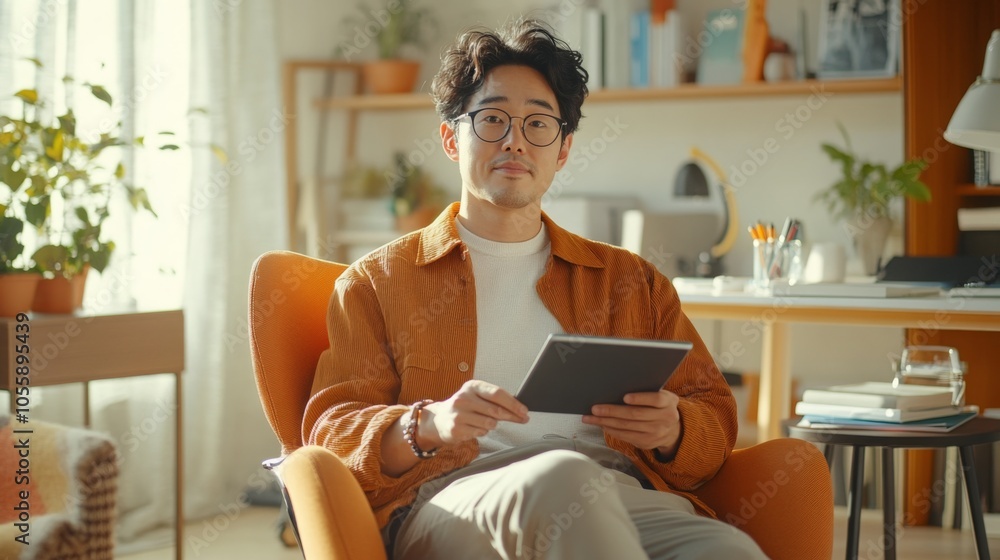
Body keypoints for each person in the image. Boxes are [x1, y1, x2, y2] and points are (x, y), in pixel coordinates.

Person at [304, 18, 767, 560]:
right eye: (492, 119)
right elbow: (331, 433)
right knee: (562, 478)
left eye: (539, 124)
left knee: (728, 549)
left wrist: (673, 429)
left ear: (563, 149)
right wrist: (428, 425)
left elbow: (714, 416)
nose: (515, 141)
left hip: (620, 492)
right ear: (451, 139)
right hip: (452, 499)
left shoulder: (630, 281)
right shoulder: (376, 282)